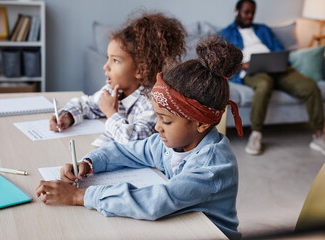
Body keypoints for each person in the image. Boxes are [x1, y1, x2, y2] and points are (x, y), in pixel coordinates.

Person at [36, 35, 244, 239]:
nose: (157, 126)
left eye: (166, 121)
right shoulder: (172, 143)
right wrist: (89, 164)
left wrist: (79, 196)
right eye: (158, 118)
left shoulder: (211, 167)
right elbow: (126, 151)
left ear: (201, 123)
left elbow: (158, 201)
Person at [49, 12, 186, 147]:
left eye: (115, 61)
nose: (105, 66)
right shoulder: (113, 90)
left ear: (141, 69)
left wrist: (111, 113)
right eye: (107, 58)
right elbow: (87, 104)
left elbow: (133, 142)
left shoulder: (152, 103)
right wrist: (67, 116)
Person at [220, 0, 325, 156]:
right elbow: (225, 62)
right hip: (252, 71)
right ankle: (256, 134)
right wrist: (243, 65)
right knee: (264, 84)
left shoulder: (263, 29)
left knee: (309, 86)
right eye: (246, 12)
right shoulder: (226, 34)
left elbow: (278, 49)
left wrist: (277, 61)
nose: (250, 16)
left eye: (252, 13)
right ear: (237, 11)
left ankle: (319, 135)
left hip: (277, 68)